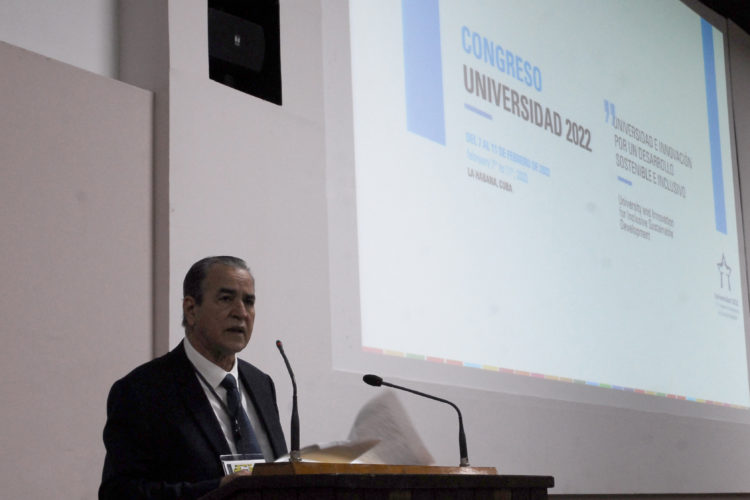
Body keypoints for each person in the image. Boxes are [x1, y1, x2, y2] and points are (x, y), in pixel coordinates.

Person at [99, 256, 288, 499]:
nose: (241, 313)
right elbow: (119, 494)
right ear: (191, 310)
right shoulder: (142, 391)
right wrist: (217, 490)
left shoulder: (261, 384)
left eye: (248, 302)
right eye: (226, 299)